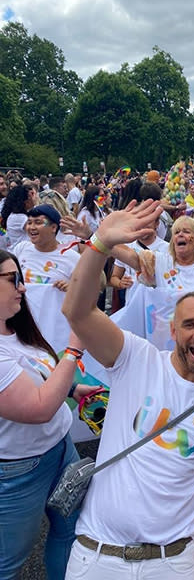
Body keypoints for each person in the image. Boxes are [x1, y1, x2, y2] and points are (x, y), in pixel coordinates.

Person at [61, 199, 194, 580]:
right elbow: (77, 311)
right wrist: (100, 244)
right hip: (97, 556)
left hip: (173, 562)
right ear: (172, 330)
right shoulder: (135, 359)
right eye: (189, 324)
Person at [0, 249, 95, 580]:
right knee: (7, 561)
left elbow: (34, 376)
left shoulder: (14, 328)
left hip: (60, 449)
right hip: (17, 469)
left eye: (21, 278)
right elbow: (39, 408)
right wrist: (73, 349)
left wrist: (69, 390)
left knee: (70, 531)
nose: (22, 287)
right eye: (13, 279)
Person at [13, 204, 80, 290]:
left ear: (53, 227)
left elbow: (95, 285)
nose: (32, 227)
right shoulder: (21, 249)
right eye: (29, 223)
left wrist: (73, 287)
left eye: (38, 222)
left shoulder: (72, 257)